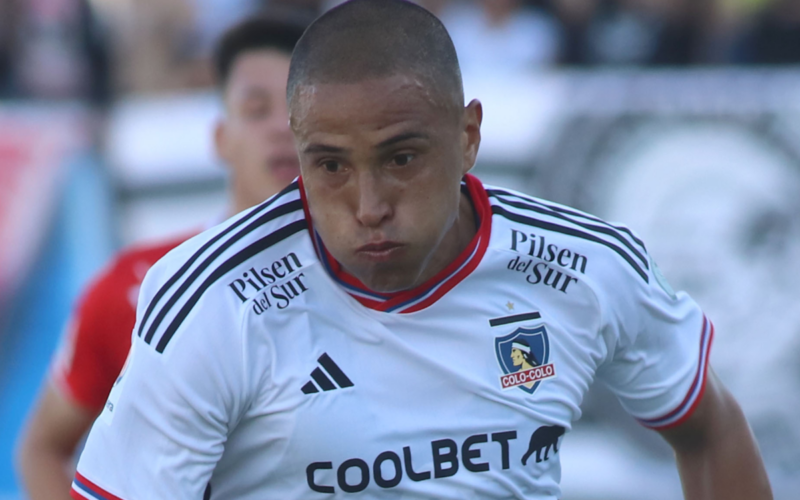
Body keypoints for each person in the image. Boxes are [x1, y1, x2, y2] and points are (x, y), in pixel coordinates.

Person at [70, 1, 772, 498]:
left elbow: (710, 429)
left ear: (467, 135)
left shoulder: (586, 269)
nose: (369, 205)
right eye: (330, 166)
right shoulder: (215, 299)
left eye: (401, 158)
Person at [15, 14, 305, 500]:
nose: (280, 129)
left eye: (298, 112)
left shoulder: (380, 275)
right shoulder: (139, 284)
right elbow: (42, 448)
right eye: (256, 110)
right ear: (219, 138)